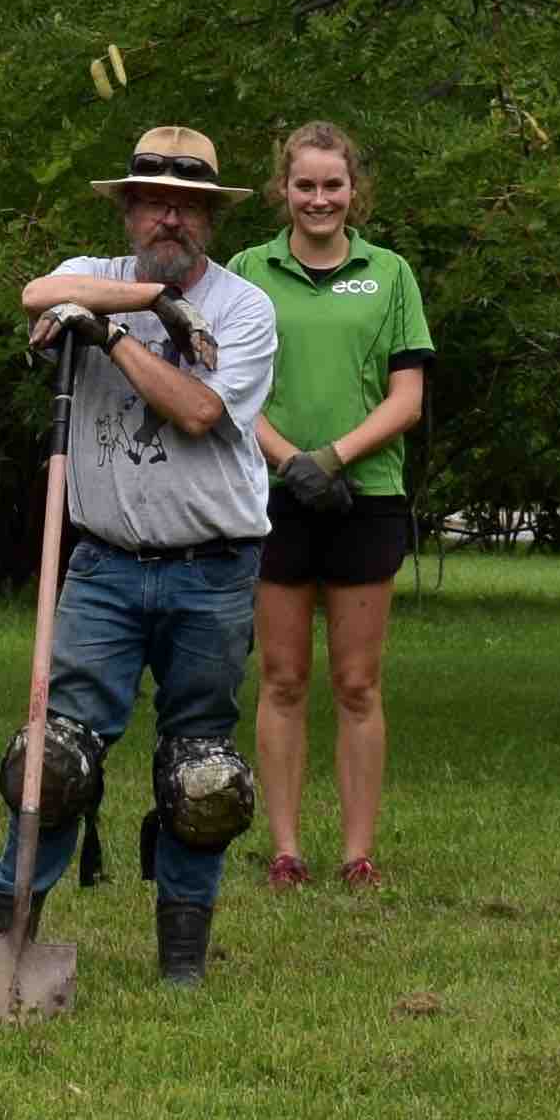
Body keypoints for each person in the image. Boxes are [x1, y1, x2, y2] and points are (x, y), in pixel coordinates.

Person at [0, 128, 283, 989]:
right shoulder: (93, 272)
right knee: (53, 761)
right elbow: (36, 293)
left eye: (188, 206)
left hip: (213, 568)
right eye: (155, 202)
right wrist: (152, 304)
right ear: (128, 210)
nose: (170, 218)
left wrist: (112, 334)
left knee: (202, 775)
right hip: (105, 567)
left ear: (211, 220)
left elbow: (196, 411)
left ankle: (183, 961)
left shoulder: (244, 308)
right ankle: (9, 934)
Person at [236, 123, 434, 894]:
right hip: (272, 495)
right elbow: (227, 389)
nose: (319, 199)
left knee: (357, 683)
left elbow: (407, 398)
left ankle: (358, 854)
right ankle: (285, 850)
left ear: (355, 191)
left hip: (366, 496)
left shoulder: (390, 274)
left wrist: (334, 458)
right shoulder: (248, 271)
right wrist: (290, 461)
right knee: (283, 678)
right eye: (305, 185)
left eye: (333, 185)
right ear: (282, 190)